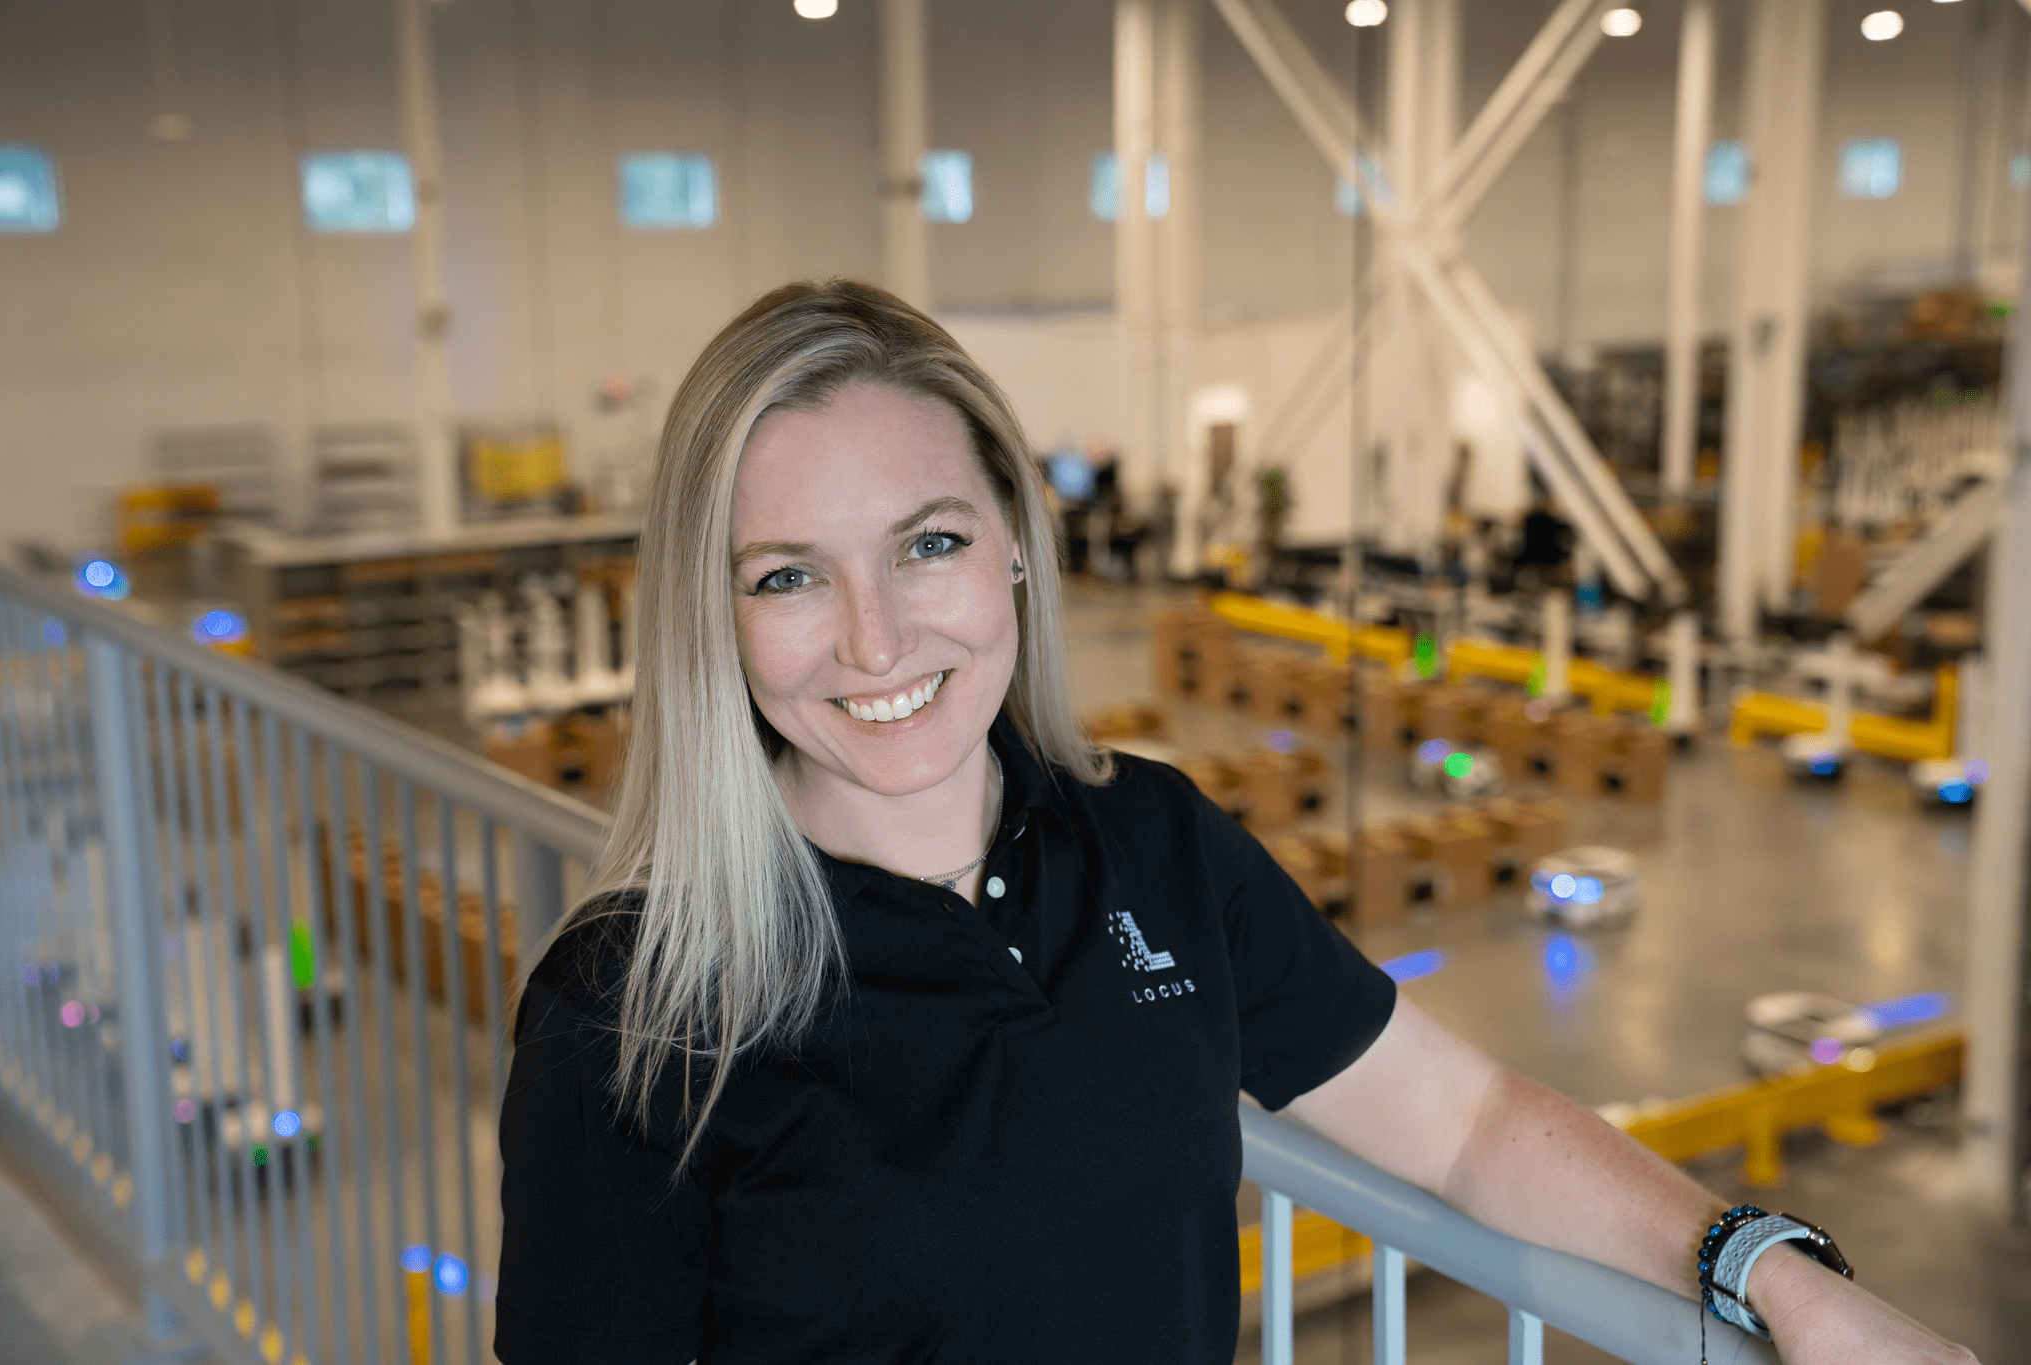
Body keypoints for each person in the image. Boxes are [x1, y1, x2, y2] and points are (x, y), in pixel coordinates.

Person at [493, 280, 1973, 1364]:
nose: (876, 643)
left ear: (1014, 545)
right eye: (787, 577)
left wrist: (1770, 1271)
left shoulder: (1156, 848)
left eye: (927, 544)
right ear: (715, 617)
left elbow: (1465, 1129)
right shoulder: (629, 1009)